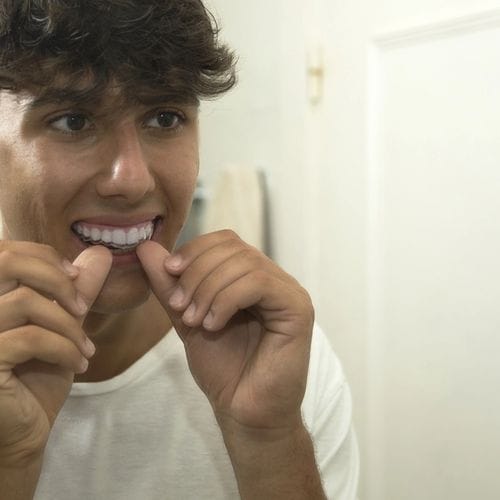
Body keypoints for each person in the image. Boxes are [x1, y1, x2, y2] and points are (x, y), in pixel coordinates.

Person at [0, 1, 359, 499]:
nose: (133, 179)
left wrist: (268, 440)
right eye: (73, 121)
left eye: (164, 117)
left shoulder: (278, 361)